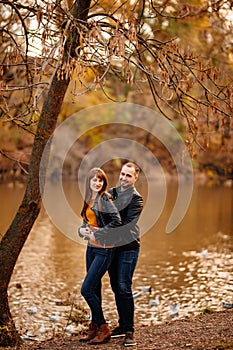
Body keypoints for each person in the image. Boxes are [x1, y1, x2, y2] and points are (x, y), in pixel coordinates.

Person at [78, 167, 121, 344]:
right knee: (94, 288)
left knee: (86, 289)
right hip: (91, 248)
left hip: (104, 248)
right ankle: (94, 326)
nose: (97, 183)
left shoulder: (105, 198)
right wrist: (81, 230)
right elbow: (86, 221)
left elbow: (116, 221)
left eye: (100, 180)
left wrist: (98, 234)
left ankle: (103, 328)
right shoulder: (89, 198)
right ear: (89, 182)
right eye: (94, 180)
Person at [108, 162, 143, 347]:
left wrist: (104, 230)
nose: (123, 178)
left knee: (123, 286)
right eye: (122, 174)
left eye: (128, 175)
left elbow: (126, 225)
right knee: (115, 286)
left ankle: (130, 331)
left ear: (135, 178)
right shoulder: (111, 193)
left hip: (128, 247)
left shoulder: (137, 200)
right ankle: (122, 325)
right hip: (112, 247)